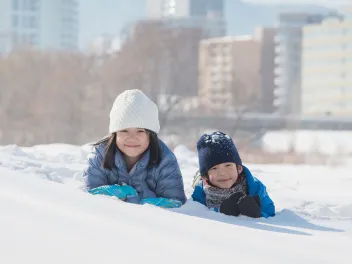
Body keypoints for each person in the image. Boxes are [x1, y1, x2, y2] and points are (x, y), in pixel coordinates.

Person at [83, 89, 186, 208]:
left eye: (140, 131)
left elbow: (175, 202)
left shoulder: (164, 159)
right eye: (124, 130)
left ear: (150, 134)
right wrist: (112, 192)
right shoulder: (100, 155)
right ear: (115, 133)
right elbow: (89, 196)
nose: (132, 137)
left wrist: (133, 199)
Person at [191, 131, 275, 218]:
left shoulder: (255, 187)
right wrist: (220, 211)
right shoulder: (200, 193)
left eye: (228, 165)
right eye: (214, 168)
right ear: (206, 176)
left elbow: (270, 212)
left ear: (239, 168)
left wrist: (257, 213)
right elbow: (197, 216)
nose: (223, 173)